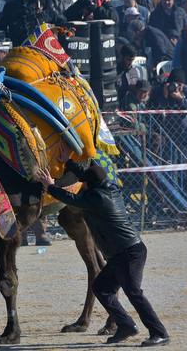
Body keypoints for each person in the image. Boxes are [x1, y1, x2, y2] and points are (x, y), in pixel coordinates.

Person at [36, 146, 170, 347]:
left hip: (129, 252)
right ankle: (125, 325)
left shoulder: (94, 199)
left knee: (133, 293)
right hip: (122, 252)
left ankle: (159, 333)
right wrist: (69, 161)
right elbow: (87, 176)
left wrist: (49, 185)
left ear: (89, 185)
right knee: (101, 288)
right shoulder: (109, 187)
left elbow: (69, 198)